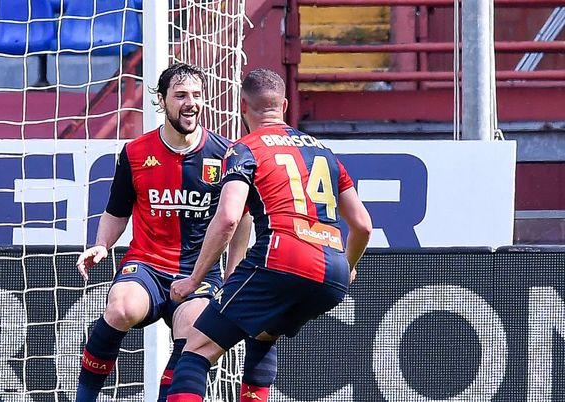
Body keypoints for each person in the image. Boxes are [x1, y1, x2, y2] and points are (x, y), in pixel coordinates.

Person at [166, 68, 373, 401]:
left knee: (197, 348)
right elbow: (362, 224)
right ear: (286, 105)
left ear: (242, 108)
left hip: (281, 257)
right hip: (332, 273)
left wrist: (194, 280)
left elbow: (229, 218)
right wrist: (348, 265)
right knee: (263, 333)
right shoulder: (323, 151)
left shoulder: (243, 149)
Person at [74, 63, 251, 402]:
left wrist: (232, 275)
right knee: (121, 308)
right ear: (161, 100)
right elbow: (117, 211)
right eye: (181, 95)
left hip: (199, 273)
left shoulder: (226, 154)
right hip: (147, 267)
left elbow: (241, 218)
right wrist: (101, 245)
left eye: (198, 95)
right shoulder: (135, 152)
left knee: (195, 330)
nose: (191, 103)